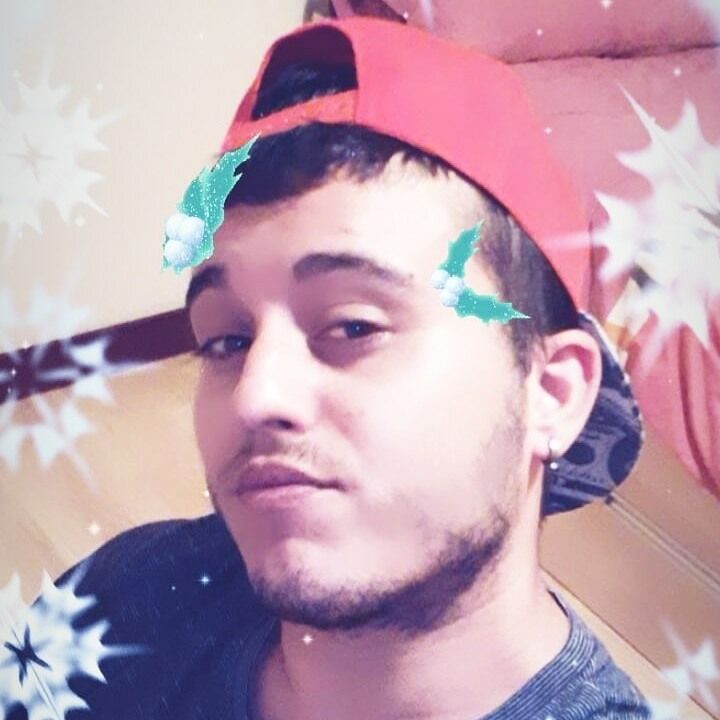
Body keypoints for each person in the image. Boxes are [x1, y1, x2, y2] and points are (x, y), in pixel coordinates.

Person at [9, 15, 653, 720]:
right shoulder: (133, 592)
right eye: (226, 340)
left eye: (353, 326)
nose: (255, 395)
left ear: (551, 393)